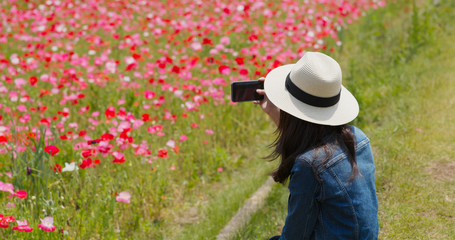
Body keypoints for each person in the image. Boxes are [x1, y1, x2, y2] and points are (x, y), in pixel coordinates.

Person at [253, 52, 379, 240]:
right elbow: (305, 133)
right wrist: (273, 111)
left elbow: (296, 235)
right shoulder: (357, 138)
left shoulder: (310, 165)